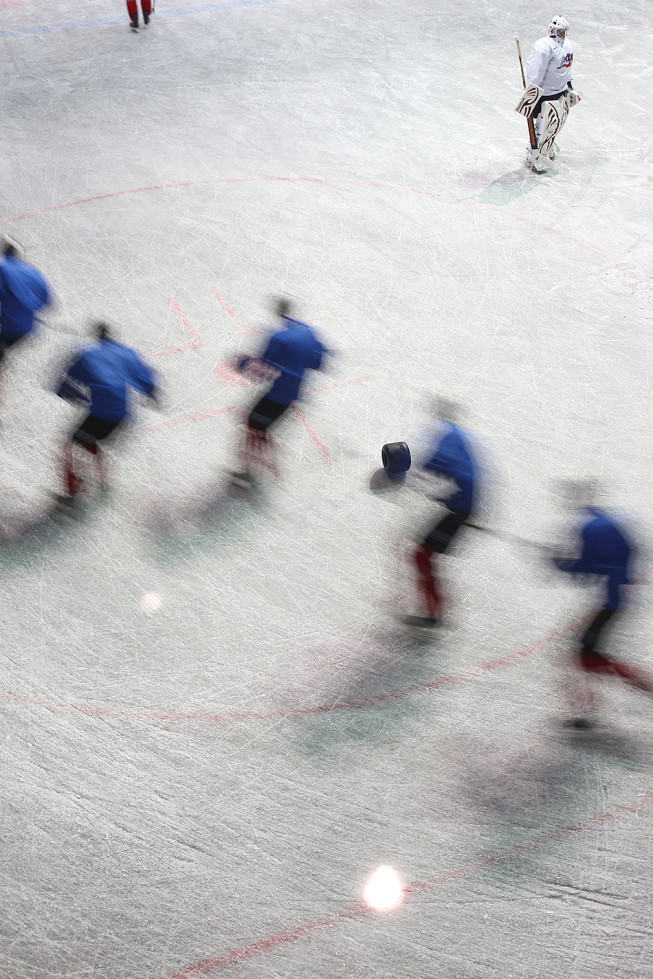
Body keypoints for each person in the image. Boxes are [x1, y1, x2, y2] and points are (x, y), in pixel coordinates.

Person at [551, 483, 653, 728]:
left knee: (586, 655)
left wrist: (561, 564)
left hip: (611, 602)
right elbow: (617, 557)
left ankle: (585, 713)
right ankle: (586, 713)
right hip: (619, 598)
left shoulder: (588, 528)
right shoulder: (609, 521)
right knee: (588, 653)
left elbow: (587, 567)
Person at [55, 322, 159, 511]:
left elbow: (65, 384)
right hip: (125, 417)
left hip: (103, 414)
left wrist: (73, 395)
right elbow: (148, 380)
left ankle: (72, 494)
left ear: (96, 337)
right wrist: (153, 394)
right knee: (89, 439)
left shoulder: (87, 355)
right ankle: (104, 479)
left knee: (71, 443)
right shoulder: (128, 353)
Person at [233, 297, 329, 486]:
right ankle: (264, 455)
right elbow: (318, 363)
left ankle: (249, 472)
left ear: (277, 311)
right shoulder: (309, 332)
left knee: (253, 424)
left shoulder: (278, 337)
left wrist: (242, 364)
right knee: (259, 425)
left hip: (278, 395)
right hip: (294, 395)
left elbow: (262, 371)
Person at [403, 399, 479, 628]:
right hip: (462, 504)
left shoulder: (446, 437)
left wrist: (410, 476)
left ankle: (435, 612)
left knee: (422, 555)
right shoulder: (458, 436)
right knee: (424, 554)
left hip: (461, 507)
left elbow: (439, 463)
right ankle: (436, 608)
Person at [517, 16, 580, 170]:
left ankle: (547, 144)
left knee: (556, 123)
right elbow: (535, 70)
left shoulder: (568, 45)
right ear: (552, 29)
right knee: (543, 125)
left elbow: (567, 67)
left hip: (561, 92)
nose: (562, 34)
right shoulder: (543, 46)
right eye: (559, 31)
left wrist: (570, 86)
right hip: (546, 94)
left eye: (564, 31)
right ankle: (535, 152)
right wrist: (532, 93)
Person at [0, 239, 51, 407]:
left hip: (5, 326)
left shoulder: (2, 268)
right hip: (25, 330)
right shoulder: (34, 272)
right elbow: (46, 301)